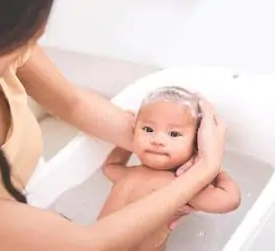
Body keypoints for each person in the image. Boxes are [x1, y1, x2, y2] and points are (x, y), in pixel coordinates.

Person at [0, 1, 227, 250]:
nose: (42, 31)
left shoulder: (0, 45)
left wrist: (158, 138)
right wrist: (205, 170)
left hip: (27, 200)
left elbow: (73, 103)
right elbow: (87, 245)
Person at [97, 86, 240, 251]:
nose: (157, 140)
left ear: (196, 143)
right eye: (148, 129)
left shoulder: (169, 182)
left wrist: (128, 144)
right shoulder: (178, 186)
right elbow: (229, 200)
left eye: (173, 134)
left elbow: (109, 166)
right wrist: (216, 167)